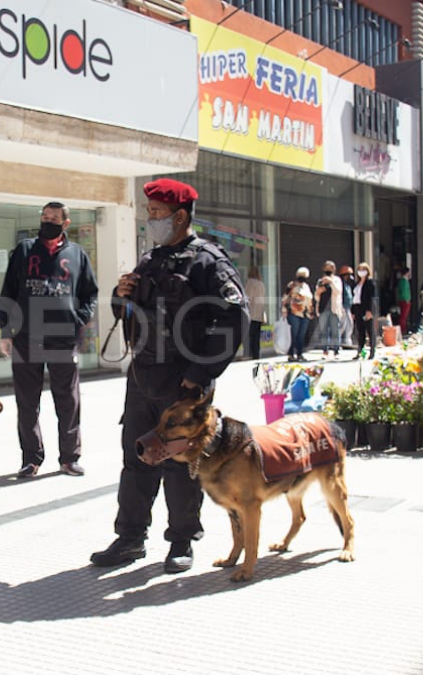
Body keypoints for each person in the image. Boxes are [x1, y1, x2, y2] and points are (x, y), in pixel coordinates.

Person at [90, 178, 248, 574]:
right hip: (143, 376)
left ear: (179, 217)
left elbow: (234, 319)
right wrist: (120, 295)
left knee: (181, 465)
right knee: (137, 457)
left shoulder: (208, 261)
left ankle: (181, 540)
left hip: (183, 382)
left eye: (157, 213)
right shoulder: (151, 260)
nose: (151, 220)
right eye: (149, 213)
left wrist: (200, 371)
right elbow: (128, 311)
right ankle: (130, 538)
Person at [0, 201, 99, 478]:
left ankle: (69, 458)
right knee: (27, 401)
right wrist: (6, 331)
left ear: (65, 223)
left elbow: (90, 293)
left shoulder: (77, 254)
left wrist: (78, 319)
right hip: (25, 336)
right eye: (44, 216)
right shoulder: (24, 250)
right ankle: (31, 459)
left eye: (54, 218)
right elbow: (8, 291)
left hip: (63, 339)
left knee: (68, 401)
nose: (48, 221)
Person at [282, 267, 314, 362]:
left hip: (305, 314)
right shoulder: (292, 285)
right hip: (294, 313)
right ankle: (291, 354)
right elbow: (285, 297)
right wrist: (284, 309)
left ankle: (300, 354)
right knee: (294, 334)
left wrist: (311, 312)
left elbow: (310, 300)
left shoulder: (306, 287)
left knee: (301, 335)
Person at [315, 260, 343, 359]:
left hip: (334, 308)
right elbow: (316, 297)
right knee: (324, 331)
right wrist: (318, 292)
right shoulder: (320, 281)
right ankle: (325, 351)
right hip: (323, 309)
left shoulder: (337, 280)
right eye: (326, 267)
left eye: (330, 268)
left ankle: (336, 351)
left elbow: (338, 291)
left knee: (335, 330)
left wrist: (331, 282)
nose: (328, 269)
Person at [351, 261, 378, 360]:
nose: (361, 272)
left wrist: (370, 310)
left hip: (366, 308)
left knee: (370, 331)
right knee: (360, 330)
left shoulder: (370, 283)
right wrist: (353, 311)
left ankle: (372, 351)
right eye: (359, 270)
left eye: (363, 270)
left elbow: (372, 297)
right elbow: (354, 298)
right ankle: (360, 351)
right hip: (357, 308)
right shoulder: (357, 284)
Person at [243, 266, 267, 360]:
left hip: (251, 313)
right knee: (256, 337)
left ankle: (248, 354)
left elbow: (248, 297)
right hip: (259, 314)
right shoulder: (261, 284)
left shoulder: (250, 283)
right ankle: (256, 354)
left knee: (248, 335)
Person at [338, 265, 355, 348]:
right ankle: (337, 341)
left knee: (349, 323)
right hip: (342, 307)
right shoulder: (341, 284)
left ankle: (347, 340)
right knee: (342, 324)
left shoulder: (348, 285)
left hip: (348, 307)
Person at [396, 267, 412, 334]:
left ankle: (403, 329)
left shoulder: (403, 281)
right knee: (403, 316)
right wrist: (407, 299)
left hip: (403, 300)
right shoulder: (404, 281)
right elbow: (404, 292)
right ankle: (403, 330)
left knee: (404, 316)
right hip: (405, 301)